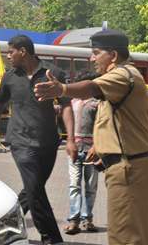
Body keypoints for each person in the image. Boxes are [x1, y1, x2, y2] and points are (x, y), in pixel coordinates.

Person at [34, 29, 148, 245]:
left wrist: (62, 88)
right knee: (128, 234)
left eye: (96, 53)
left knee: (126, 237)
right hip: (127, 165)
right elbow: (113, 120)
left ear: (114, 55)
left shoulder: (122, 74)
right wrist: (102, 147)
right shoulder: (124, 76)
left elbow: (90, 87)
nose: (91, 58)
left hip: (128, 167)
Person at [0, 35, 75, 245]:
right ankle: (52, 238)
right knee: (35, 187)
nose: (8, 56)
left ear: (23, 52)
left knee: (32, 189)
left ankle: (5, 226)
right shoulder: (10, 77)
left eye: (11, 52)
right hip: (20, 141)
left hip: (48, 143)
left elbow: (66, 106)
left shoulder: (52, 73)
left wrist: (71, 138)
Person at [63, 71, 99, 235]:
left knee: (91, 186)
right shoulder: (71, 103)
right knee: (74, 185)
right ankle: (74, 220)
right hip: (75, 149)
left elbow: (102, 126)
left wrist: (97, 146)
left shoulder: (97, 104)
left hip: (92, 149)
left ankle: (87, 219)